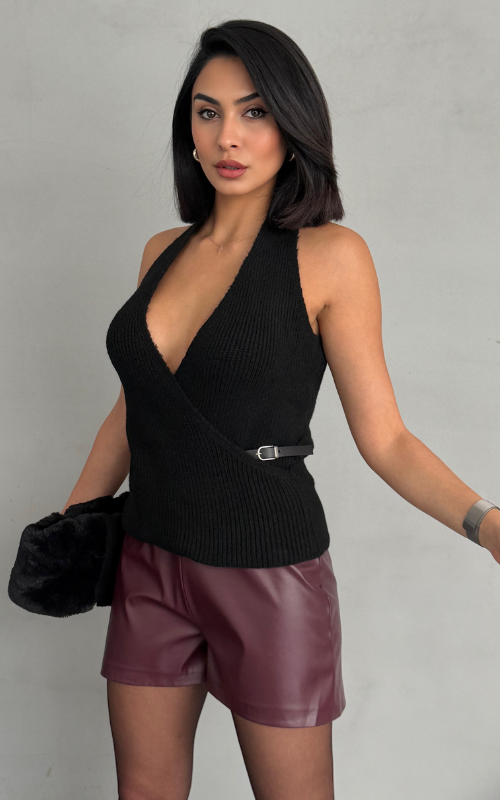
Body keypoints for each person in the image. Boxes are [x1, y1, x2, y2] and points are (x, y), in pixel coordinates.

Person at [61, 19, 500, 800]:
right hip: (150, 565)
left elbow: (387, 438)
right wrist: (69, 527)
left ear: (293, 126)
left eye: (255, 112)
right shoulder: (160, 251)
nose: (228, 136)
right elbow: (134, 408)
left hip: (269, 575)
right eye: (207, 112)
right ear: (189, 130)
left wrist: (487, 524)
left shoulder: (332, 257)